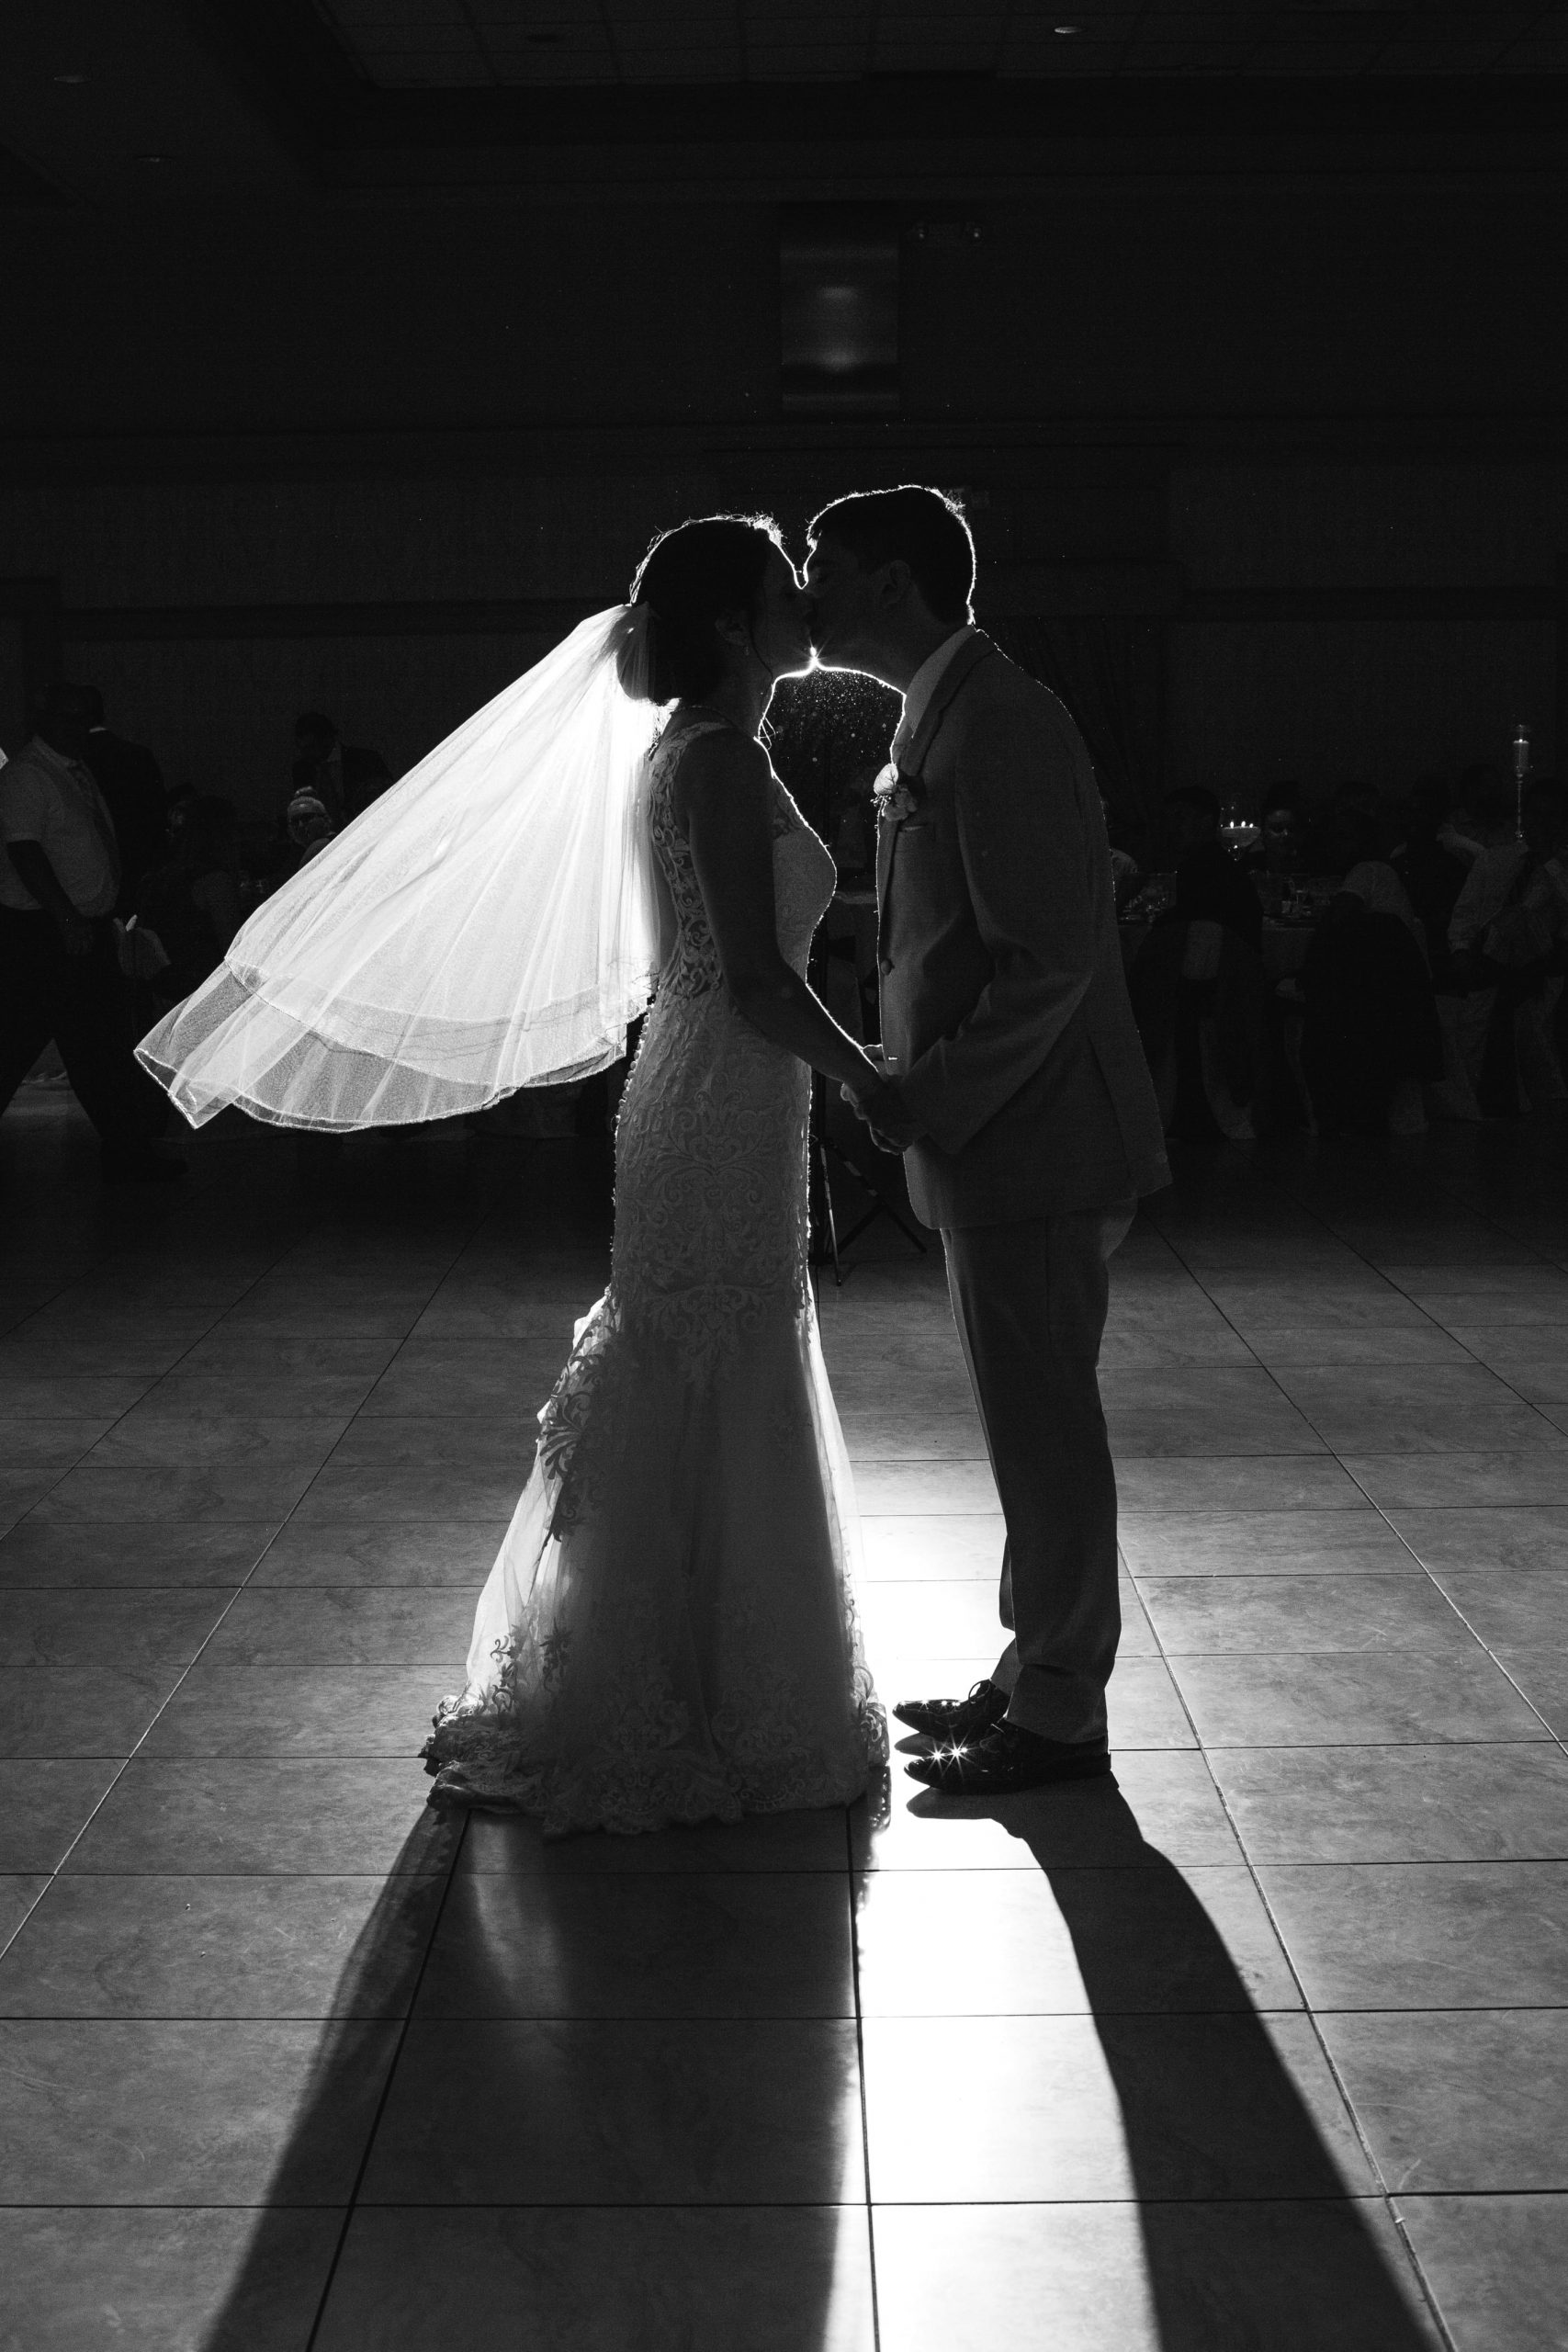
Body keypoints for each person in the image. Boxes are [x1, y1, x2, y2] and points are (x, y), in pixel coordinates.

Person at [142, 519, 889, 1838]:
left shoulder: (707, 753)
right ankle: (677, 1702)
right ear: (729, 624)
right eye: (784, 590)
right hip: (720, 1087)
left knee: (714, 1354)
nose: (805, 608)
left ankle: (699, 1683)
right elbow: (761, 985)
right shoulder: (712, 762)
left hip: (716, 1088)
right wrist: (872, 1079)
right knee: (713, 1354)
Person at [805, 485, 1169, 1798]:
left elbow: (1049, 960)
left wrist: (929, 1091)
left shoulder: (1004, 720)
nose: (805, 588)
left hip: (1029, 1128)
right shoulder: (939, 709)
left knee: (1046, 1419)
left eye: (822, 565)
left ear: (894, 584)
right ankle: (1032, 1662)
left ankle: (1063, 1706)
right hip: (985, 1135)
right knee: (1019, 1415)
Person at [0, 684, 183, 1181]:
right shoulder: (28, 777)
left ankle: (128, 1146)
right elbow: (25, 852)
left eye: (83, 719)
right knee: (51, 1039)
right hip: (48, 932)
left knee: (88, 1041)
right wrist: (65, 917)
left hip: (76, 928)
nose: (79, 728)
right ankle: (129, 1147)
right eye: (69, 719)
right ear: (47, 723)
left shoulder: (69, 772)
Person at [79, 686, 168, 915]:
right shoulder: (137, 755)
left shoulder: (74, 761)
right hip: (137, 866)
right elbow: (157, 815)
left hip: (88, 872)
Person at [1160, 784, 1263, 952]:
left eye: (1180, 818)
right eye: (1168, 820)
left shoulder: (1203, 869)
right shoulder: (1216, 864)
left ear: (1206, 822)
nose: (1171, 828)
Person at [291, 712, 389, 830]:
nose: (306, 754)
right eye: (302, 749)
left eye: (311, 747)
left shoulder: (365, 761)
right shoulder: (302, 770)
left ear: (327, 739)